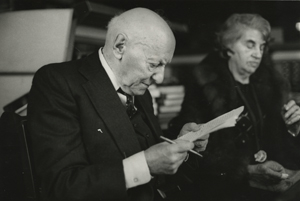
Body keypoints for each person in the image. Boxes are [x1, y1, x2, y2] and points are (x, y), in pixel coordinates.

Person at [27, 8, 208, 201]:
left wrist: (180, 144)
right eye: (154, 64)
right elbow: (61, 186)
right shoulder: (58, 82)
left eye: (164, 65)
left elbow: (147, 152)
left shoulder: (140, 90)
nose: (161, 77)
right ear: (120, 46)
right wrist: (145, 165)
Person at [169, 13, 300, 201]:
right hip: (229, 190)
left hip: (275, 182)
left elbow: (283, 144)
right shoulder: (204, 85)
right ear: (229, 45)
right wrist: (246, 171)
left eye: (262, 46)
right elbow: (195, 150)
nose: (258, 53)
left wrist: (294, 129)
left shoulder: (274, 85)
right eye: (250, 45)